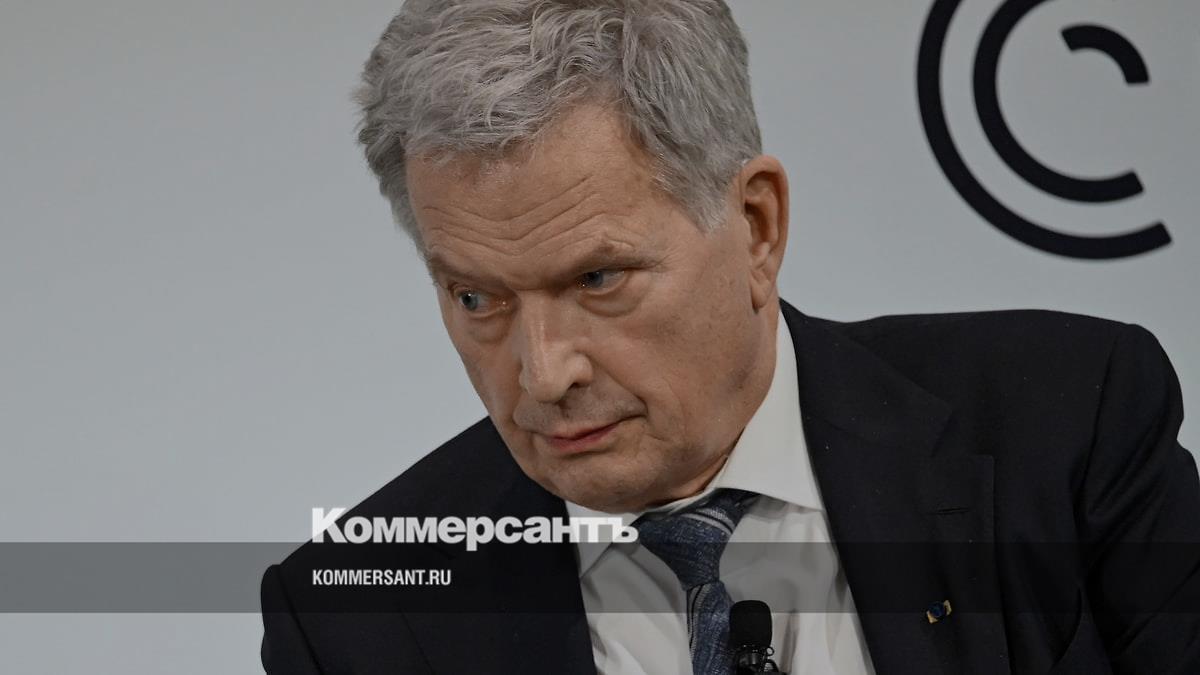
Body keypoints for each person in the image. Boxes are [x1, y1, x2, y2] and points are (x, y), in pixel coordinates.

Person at [260, 1, 1200, 673]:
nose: (542, 375)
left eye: (598, 279)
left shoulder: (1068, 427)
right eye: (477, 297)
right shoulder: (356, 615)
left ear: (756, 226)